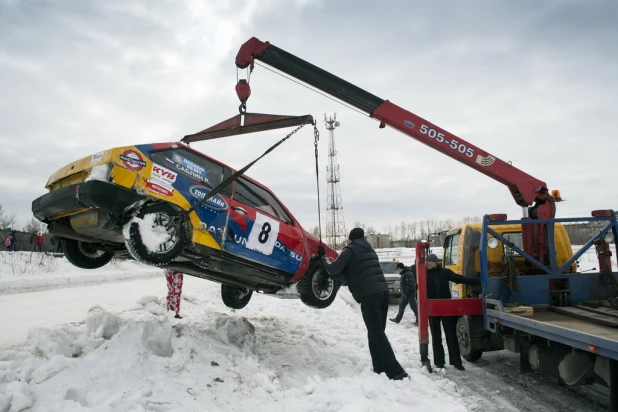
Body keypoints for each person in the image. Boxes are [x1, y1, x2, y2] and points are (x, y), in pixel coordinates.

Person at [319, 228, 408, 380]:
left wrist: (323, 258)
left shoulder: (350, 250)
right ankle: (379, 367)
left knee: (377, 333)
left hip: (370, 295)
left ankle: (397, 372)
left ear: (351, 239)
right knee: (376, 331)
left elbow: (333, 269)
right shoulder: (370, 250)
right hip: (383, 293)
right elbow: (351, 272)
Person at [424, 253, 480, 371]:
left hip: (446, 308)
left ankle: (456, 362)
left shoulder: (445, 272)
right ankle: (439, 362)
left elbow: (460, 279)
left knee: (451, 336)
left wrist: (478, 281)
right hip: (432, 309)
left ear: (436, 262)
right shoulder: (423, 274)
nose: (428, 263)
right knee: (436, 337)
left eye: (430, 261)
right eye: (427, 261)